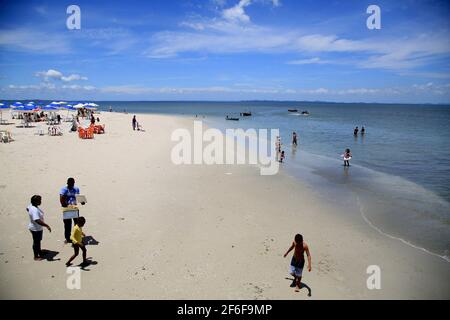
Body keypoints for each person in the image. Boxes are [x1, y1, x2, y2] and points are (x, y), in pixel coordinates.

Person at [27, 195, 51, 261]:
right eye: (39, 200)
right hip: (36, 229)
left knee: (38, 241)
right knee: (36, 242)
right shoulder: (34, 210)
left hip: (35, 227)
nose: (40, 201)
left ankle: (40, 252)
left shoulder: (31, 206)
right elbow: (37, 220)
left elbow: (27, 208)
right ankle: (36, 256)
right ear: (35, 201)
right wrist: (47, 225)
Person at [60, 178, 84, 244]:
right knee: (67, 224)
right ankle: (67, 238)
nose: (71, 185)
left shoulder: (76, 189)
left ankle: (77, 236)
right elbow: (61, 199)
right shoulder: (64, 189)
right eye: (70, 184)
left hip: (74, 208)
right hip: (67, 208)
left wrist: (82, 201)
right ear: (67, 183)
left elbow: (78, 197)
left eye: (72, 183)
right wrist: (66, 206)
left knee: (77, 223)